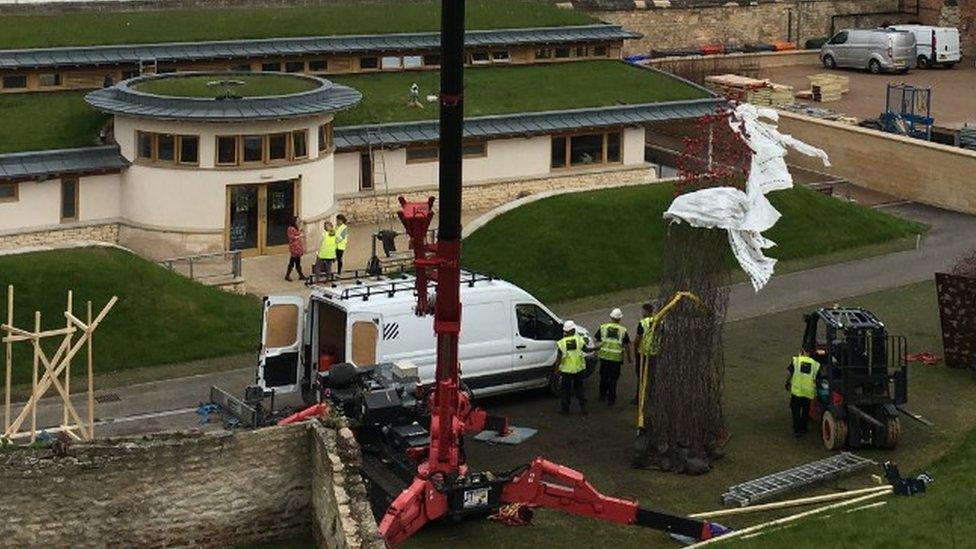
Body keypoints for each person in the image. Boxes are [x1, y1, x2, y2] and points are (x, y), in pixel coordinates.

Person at [594, 308, 632, 405]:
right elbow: (627, 345)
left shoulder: (603, 327)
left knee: (603, 377)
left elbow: (597, 341)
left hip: (604, 357)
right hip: (616, 359)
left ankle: (602, 395)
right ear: (620, 319)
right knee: (613, 379)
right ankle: (611, 399)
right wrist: (629, 357)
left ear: (611, 317)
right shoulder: (623, 330)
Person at [554, 320, 591, 415]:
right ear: (573, 330)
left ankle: (565, 410)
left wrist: (556, 369)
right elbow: (586, 350)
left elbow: (559, 358)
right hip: (579, 369)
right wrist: (597, 348)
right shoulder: (579, 340)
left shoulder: (562, 343)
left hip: (566, 371)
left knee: (565, 391)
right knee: (580, 389)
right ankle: (583, 408)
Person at [786, 348, 821, 437]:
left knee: (795, 411)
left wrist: (787, 382)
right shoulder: (815, 364)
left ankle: (797, 430)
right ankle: (803, 428)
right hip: (808, 392)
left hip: (796, 391)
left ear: (802, 351)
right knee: (805, 411)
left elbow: (789, 373)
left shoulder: (796, 360)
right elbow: (818, 379)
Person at [631, 301, 661, 405]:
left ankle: (639, 397)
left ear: (646, 311)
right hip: (654, 351)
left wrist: (635, 350)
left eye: (643, 311)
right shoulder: (659, 321)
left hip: (643, 352)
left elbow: (638, 339)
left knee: (641, 375)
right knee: (652, 375)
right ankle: (652, 396)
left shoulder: (642, 323)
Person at [285, 216, 306, 282]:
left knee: (297, 262)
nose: (298, 222)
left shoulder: (296, 228)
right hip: (294, 248)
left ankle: (300, 275)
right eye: (297, 221)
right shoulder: (291, 228)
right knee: (293, 262)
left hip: (298, 247)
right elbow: (291, 237)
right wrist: (299, 236)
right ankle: (288, 275)